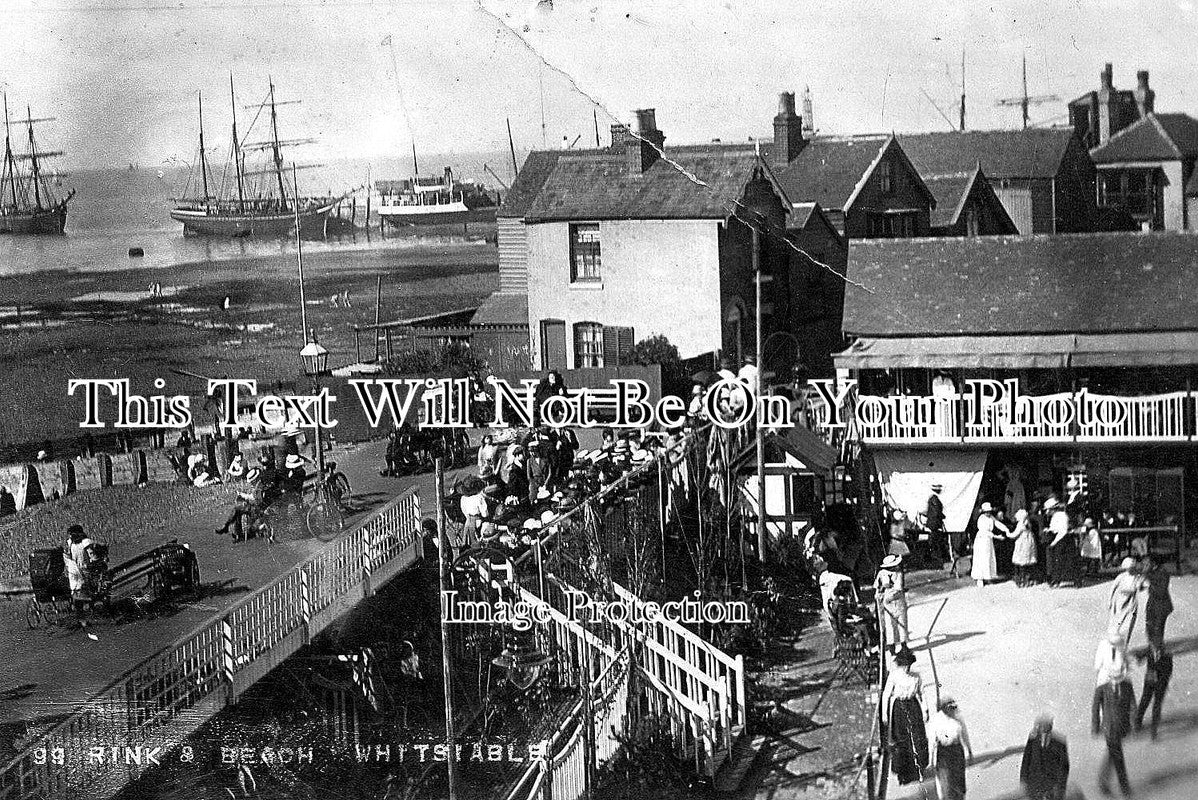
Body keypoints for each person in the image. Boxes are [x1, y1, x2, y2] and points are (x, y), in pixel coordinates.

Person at [882, 646, 929, 786]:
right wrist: (885, 713)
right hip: (900, 709)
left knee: (916, 738)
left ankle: (918, 770)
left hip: (913, 707)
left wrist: (926, 709)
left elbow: (922, 693)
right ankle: (903, 774)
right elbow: (886, 695)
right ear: (900, 665)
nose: (907, 668)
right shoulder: (894, 676)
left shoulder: (916, 676)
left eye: (909, 665)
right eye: (904, 665)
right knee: (902, 740)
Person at [1092, 665, 1136, 797]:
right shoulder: (1101, 689)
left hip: (1122, 727)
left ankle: (1102, 781)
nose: (1117, 680)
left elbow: (1133, 705)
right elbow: (1095, 709)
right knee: (1118, 756)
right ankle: (1125, 788)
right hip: (1109, 728)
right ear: (1109, 677)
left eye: (1119, 678)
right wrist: (1095, 727)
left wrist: (1133, 724)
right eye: (1114, 678)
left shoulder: (1127, 686)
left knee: (1112, 754)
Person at [928, 696, 972, 800]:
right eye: (950, 708)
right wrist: (931, 761)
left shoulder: (958, 717)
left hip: (957, 751)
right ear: (943, 708)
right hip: (944, 752)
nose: (953, 711)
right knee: (945, 782)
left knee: (959, 782)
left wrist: (969, 750)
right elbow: (932, 742)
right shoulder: (936, 720)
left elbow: (964, 734)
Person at [1020, 713, 1069, 800]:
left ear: (1051, 726)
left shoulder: (1060, 742)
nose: (1043, 727)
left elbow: (1064, 767)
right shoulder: (1033, 740)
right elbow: (1026, 760)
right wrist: (1023, 780)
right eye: (1041, 724)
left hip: (1052, 786)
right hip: (1034, 784)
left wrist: (1060, 786)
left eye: (1046, 724)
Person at [1134, 643, 1172, 741]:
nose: (1154, 649)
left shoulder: (1167, 655)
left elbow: (1169, 670)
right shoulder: (1148, 651)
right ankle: (1138, 722)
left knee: (1157, 705)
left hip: (1160, 683)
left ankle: (1154, 731)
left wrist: (1164, 681)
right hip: (1150, 681)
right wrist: (1138, 657)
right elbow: (1139, 659)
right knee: (1144, 701)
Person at [874, 554, 909, 651]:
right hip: (896, 599)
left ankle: (895, 646)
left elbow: (877, 587)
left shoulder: (882, 573)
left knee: (892, 623)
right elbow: (898, 588)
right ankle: (900, 646)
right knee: (900, 622)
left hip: (888, 599)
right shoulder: (898, 573)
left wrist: (882, 590)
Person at [971, 502, 1009, 587]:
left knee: (989, 557)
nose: (988, 513)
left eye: (989, 511)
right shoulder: (981, 519)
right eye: (986, 512)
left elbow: (997, 523)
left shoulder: (991, 517)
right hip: (982, 540)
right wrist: (997, 537)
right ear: (983, 512)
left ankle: (988, 577)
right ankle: (980, 578)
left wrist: (1006, 529)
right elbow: (985, 532)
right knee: (981, 558)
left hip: (988, 541)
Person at [1108, 557, 1143, 645]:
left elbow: (1140, 587)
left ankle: (1124, 646)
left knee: (1128, 624)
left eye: (1131, 568)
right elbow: (1113, 588)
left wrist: (1140, 585)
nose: (1130, 570)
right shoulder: (1121, 577)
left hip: (1131, 602)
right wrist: (1110, 601)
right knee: (1117, 623)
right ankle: (1113, 644)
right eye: (1128, 569)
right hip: (1120, 601)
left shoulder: (1136, 577)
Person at [1142, 556, 1173, 650]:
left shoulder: (1163, 572)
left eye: (1147, 564)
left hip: (1162, 605)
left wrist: (1149, 585)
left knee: (1158, 628)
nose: (1145, 566)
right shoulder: (1150, 571)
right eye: (1144, 564)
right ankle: (1153, 647)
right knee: (1149, 626)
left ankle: (1157, 650)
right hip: (1153, 604)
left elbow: (1161, 591)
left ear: (1154, 563)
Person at [1010, 509, 1038, 588]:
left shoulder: (1020, 524)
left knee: (1021, 561)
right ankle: (1027, 579)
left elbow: (1015, 534)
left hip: (1022, 543)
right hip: (1029, 542)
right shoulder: (1028, 523)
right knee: (1027, 561)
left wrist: (1008, 534)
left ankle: (1021, 580)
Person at [924, 483, 949, 568]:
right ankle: (936, 563)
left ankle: (936, 562)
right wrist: (941, 516)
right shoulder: (934, 499)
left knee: (935, 543)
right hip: (934, 524)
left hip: (933, 524)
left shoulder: (933, 498)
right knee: (935, 543)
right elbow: (936, 513)